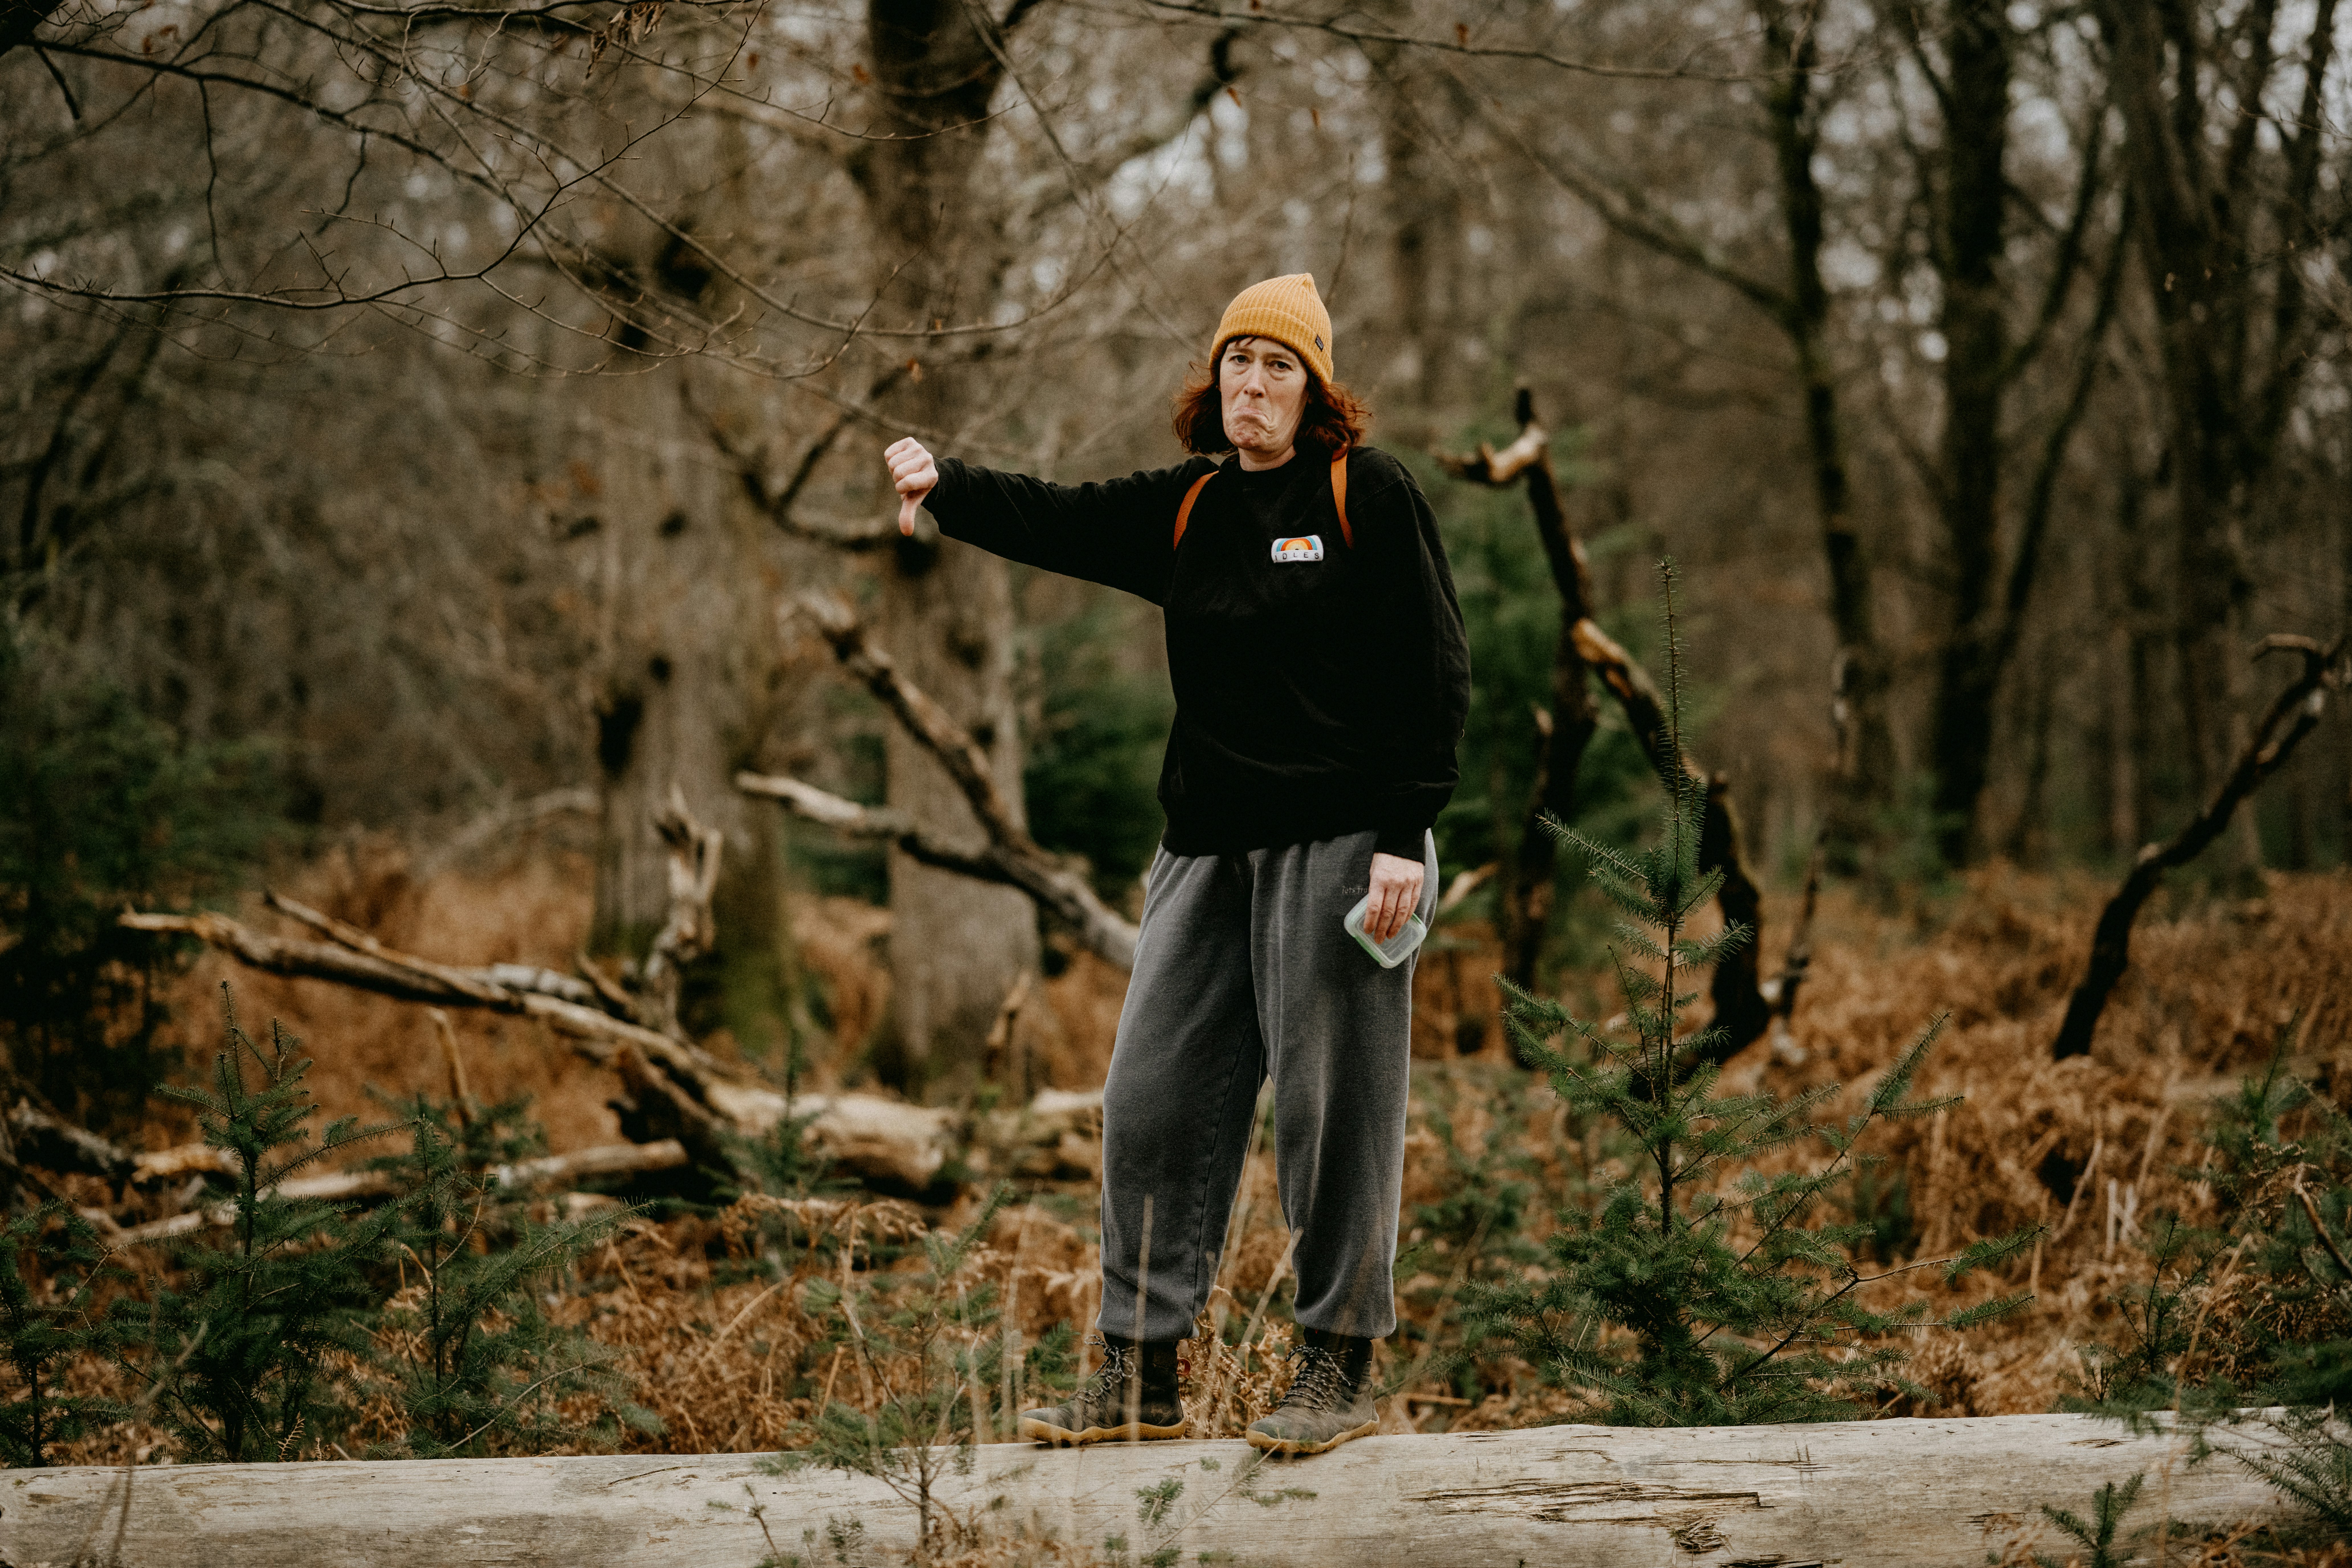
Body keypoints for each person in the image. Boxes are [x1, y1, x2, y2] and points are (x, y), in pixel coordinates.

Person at [883, 273, 1470, 1457]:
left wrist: (1406, 834)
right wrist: (946, 485)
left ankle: (1335, 1364)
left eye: (1280, 367)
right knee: (1151, 1098)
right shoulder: (1192, 509)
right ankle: (1140, 1368)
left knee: (1331, 1107)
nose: (1253, 385)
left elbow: (1436, 670)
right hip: (1204, 846)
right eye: (1237, 365)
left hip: (1349, 843)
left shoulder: (1368, 494)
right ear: (1215, 383)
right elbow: (1060, 517)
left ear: (1317, 392)